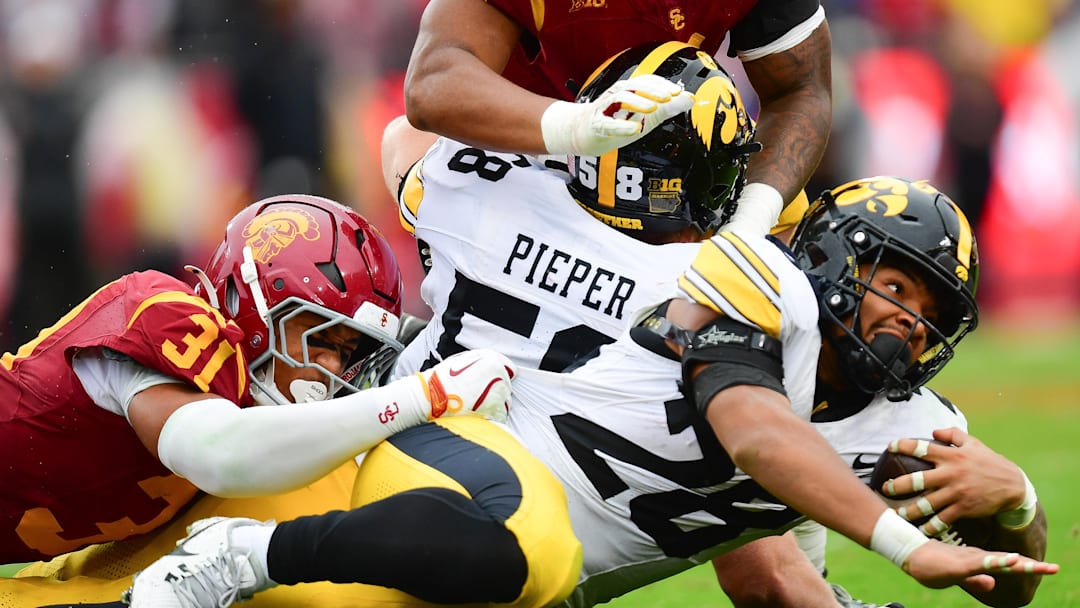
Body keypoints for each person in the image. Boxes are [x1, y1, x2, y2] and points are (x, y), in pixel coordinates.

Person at [123, 85, 1056, 608]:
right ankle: (243, 553)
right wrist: (554, 129)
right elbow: (759, 440)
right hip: (467, 450)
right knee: (519, 562)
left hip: (515, 514)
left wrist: (1014, 504)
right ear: (829, 262)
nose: (910, 322)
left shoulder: (907, 423)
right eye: (897, 288)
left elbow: (999, 581)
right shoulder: (751, 293)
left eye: (935, 311)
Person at [0, 193, 515, 565]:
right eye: (320, 338)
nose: (333, 369)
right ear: (250, 307)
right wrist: (425, 395)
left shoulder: (249, 408)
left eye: (349, 351)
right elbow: (221, 453)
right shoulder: (161, 313)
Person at [402, 0, 833, 236]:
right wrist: (577, 127)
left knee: (788, 236)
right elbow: (432, 82)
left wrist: (751, 219)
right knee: (417, 170)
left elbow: (800, 88)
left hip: (677, 162)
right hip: (535, 156)